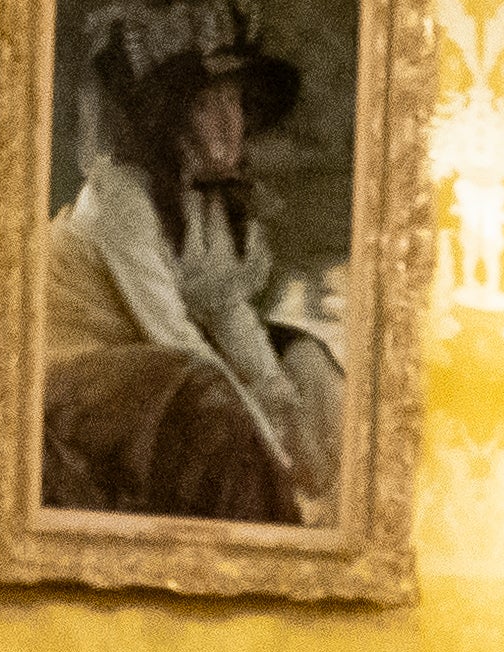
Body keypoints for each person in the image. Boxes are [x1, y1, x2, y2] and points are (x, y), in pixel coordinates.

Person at [40, 1, 345, 526]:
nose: (234, 123)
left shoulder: (203, 203)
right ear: (172, 121)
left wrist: (285, 412)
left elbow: (227, 312)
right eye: (211, 106)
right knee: (205, 390)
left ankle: (333, 512)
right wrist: (273, 448)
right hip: (73, 367)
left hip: (146, 356)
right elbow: (172, 335)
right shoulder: (119, 198)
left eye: (237, 102)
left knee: (307, 360)